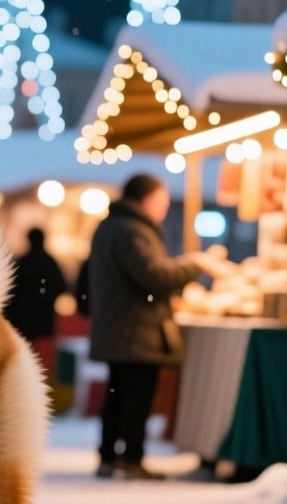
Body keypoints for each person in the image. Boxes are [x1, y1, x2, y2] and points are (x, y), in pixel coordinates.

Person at [84, 174, 224, 481]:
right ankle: (131, 459)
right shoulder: (132, 230)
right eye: (160, 202)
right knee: (135, 397)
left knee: (117, 393)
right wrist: (196, 264)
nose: (162, 209)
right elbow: (154, 275)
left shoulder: (113, 225)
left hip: (119, 328)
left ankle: (108, 457)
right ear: (146, 200)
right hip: (136, 329)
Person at [4, 227, 68, 374]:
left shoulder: (21, 263)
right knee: (42, 363)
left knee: (23, 360)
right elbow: (61, 286)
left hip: (22, 320)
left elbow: (10, 291)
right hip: (44, 319)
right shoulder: (49, 263)